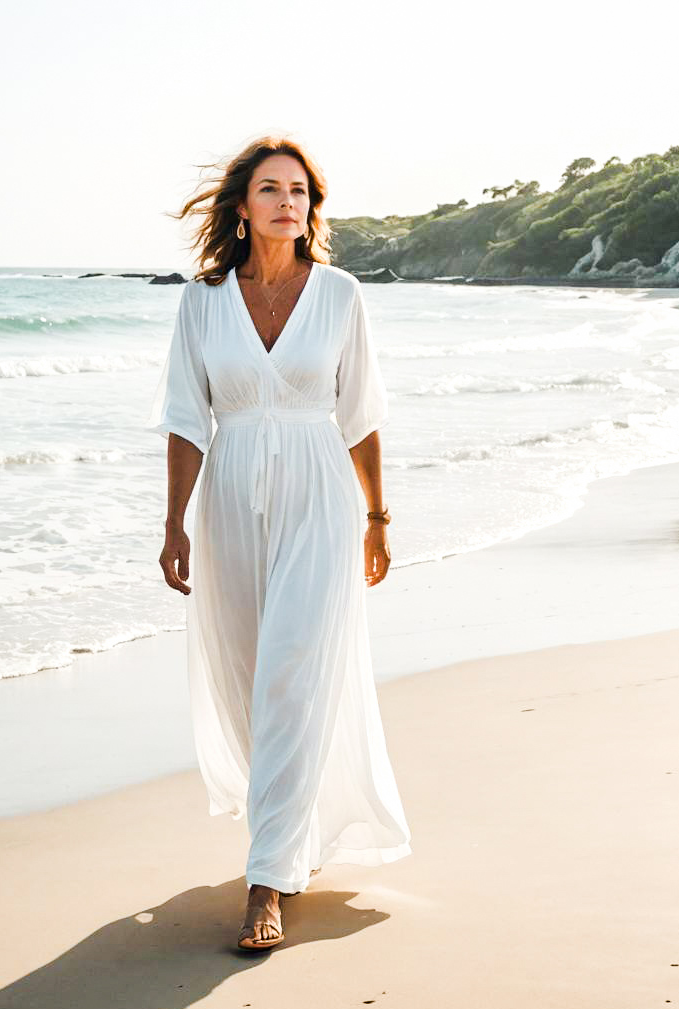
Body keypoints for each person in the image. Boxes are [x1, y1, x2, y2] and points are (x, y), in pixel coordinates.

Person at [148, 135, 411, 952]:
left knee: (295, 673)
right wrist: (173, 523)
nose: (288, 201)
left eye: (300, 190)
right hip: (228, 500)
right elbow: (188, 420)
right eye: (271, 188)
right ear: (242, 205)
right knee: (247, 679)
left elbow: (359, 414)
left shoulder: (339, 295)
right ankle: (288, 832)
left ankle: (267, 883)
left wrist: (378, 516)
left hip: (321, 499)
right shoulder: (203, 301)